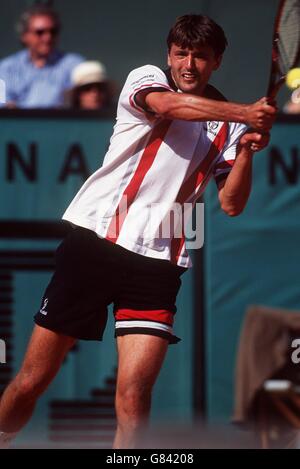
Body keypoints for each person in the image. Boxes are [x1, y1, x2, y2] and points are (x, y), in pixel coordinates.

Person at [0, 14, 277, 449]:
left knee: (134, 395)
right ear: (169, 55)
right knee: (33, 380)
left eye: (201, 56)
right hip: (95, 247)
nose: (189, 64)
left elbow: (231, 203)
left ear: (217, 61)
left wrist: (245, 150)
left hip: (157, 266)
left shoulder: (231, 126)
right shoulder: (146, 79)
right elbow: (170, 107)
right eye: (181, 53)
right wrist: (245, 111)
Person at [0, 4, 84, 108]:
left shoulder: (74, 65)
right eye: (40, 32)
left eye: (53, 32)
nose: (48, 37)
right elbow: (3, 106)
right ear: (24, 36)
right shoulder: (6, 68)